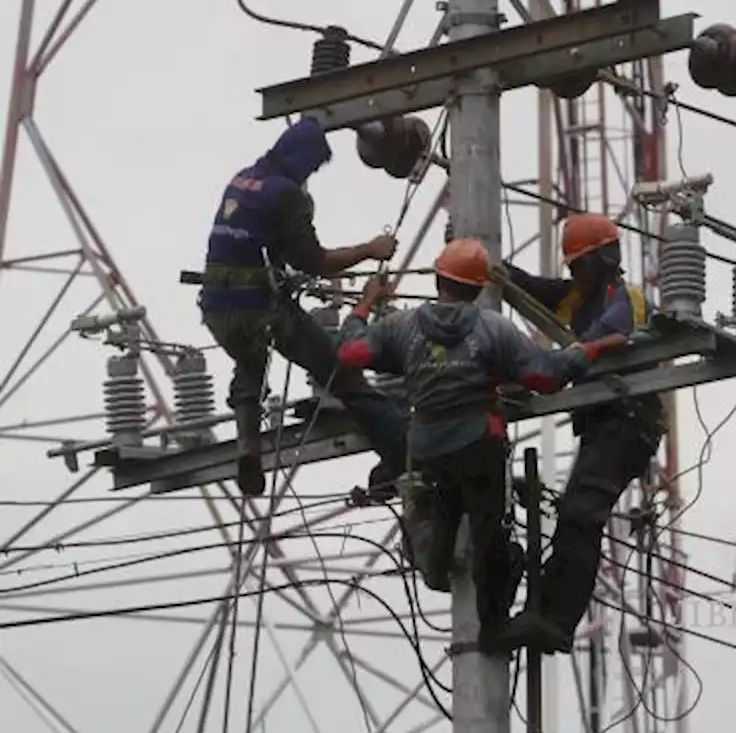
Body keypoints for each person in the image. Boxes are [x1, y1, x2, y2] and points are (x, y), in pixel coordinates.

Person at [334, 237, 628, 653]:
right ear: (478, 289)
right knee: (491, 533)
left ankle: (435, 565)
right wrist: (588, 349)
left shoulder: (402, 326)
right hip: (477, 444)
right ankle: (493, 629)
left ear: (438, 279)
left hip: (428, 446)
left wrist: (364, 305)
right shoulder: (493, 328)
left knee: (448, 509)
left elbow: (351, 352)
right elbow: (544, 377)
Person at [199, 116, 408, 498]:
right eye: (311, 167)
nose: (309, 175)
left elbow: (252, 241)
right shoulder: (287, 194)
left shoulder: (243, 178)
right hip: (259, 308)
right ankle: (404, 456)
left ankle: (248, 444)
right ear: (301, 158)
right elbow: (313, 261)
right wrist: (369, 250)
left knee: (249, 360)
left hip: (216, 305)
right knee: (342, 375)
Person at [497, 212, 666, 653]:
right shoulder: (577, 296)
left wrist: (569, 358)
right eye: (572, 268)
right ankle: (542, 613)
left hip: (629, 422)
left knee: (580, 516)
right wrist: (484, 260)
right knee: (573, 518)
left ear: (603, 260)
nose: (575, 275)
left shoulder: (622, 296)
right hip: (603, 426)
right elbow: (530, 287)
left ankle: (555, 621)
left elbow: (612, 335)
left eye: (580, 266)